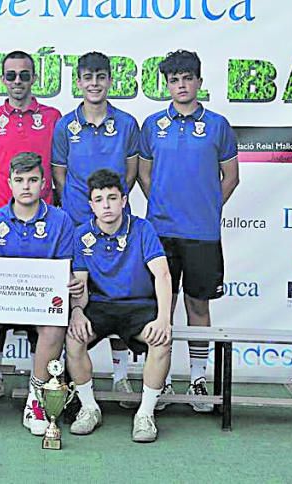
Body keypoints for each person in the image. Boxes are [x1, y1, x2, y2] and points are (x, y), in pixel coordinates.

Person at [52, 51, 156, 407]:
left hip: (113, 219)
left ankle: (121, 376)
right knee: (80, 297)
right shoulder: (65, 125)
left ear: (110, 80)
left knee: (118, 289)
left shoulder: (127, 123)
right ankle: (68, 384)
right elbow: (60, 175)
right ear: (78, 82)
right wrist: (84, 212)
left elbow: (130, 173)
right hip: (79, 224)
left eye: (100, 76)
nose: (94, 83)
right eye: (87, 77)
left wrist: (110, 207)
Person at [138, 50, 239, 412]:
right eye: (174, 80)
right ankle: (158, 380)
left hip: (202, 233)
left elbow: (231, 177)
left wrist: (206, 208)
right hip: (161, 231)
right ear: (167, 84)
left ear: (199, 81)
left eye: (187, 79)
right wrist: (164, 205)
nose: (181, 86)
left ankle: (198, 378)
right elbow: (144, 175)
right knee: (160, 306)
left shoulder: (218, 125)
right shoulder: (152, 125)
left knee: (198, 304)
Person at [0, 152, 81, 435]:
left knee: (54, 323)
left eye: (33, 180)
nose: (26, 186)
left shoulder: (61, 221)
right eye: (20, 180)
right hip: (3, 303)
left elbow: (66, 270)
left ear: (43, 183)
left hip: (40, 304)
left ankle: (36, 402)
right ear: (10, 184)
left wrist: (72, 283)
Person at [66, 168, 174, 443]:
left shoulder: (142, 228)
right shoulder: (81, 235)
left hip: (138, 306)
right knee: (73, 339)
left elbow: (162, 273)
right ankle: (89, 407)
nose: (106, 205)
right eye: (99, 199)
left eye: (112, 198)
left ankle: (145, 414)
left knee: (161, 341)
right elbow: (80, 283)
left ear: (124, 200)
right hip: (101, 305)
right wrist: (77, 311)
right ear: (91, 204)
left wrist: (164, 318)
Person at [0, 50, 63, 392]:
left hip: (43, 225)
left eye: (24, 75)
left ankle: (39, 383)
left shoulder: (54, 117)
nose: (18, 82)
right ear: (2, 79)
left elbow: (59, 169)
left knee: (42, 305)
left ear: (34, 78)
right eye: (11, 75)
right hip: (0, 225)